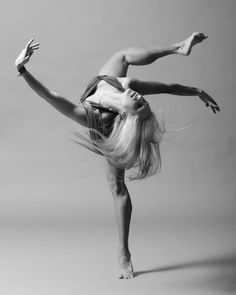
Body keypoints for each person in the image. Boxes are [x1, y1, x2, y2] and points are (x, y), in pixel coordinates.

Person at [15, 32, 220, 279]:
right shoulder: (126, 86)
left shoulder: (92, 117)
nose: (140, 99)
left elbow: (50, 96)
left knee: (118, 188)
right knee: (122, 56)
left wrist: (22, 70)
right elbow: (167, 88)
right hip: (103, 83)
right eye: (144, 101)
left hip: (107, 129)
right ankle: (179, 47)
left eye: (140, 105)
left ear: (129, 117)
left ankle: (124, 254)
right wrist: (197, 90)